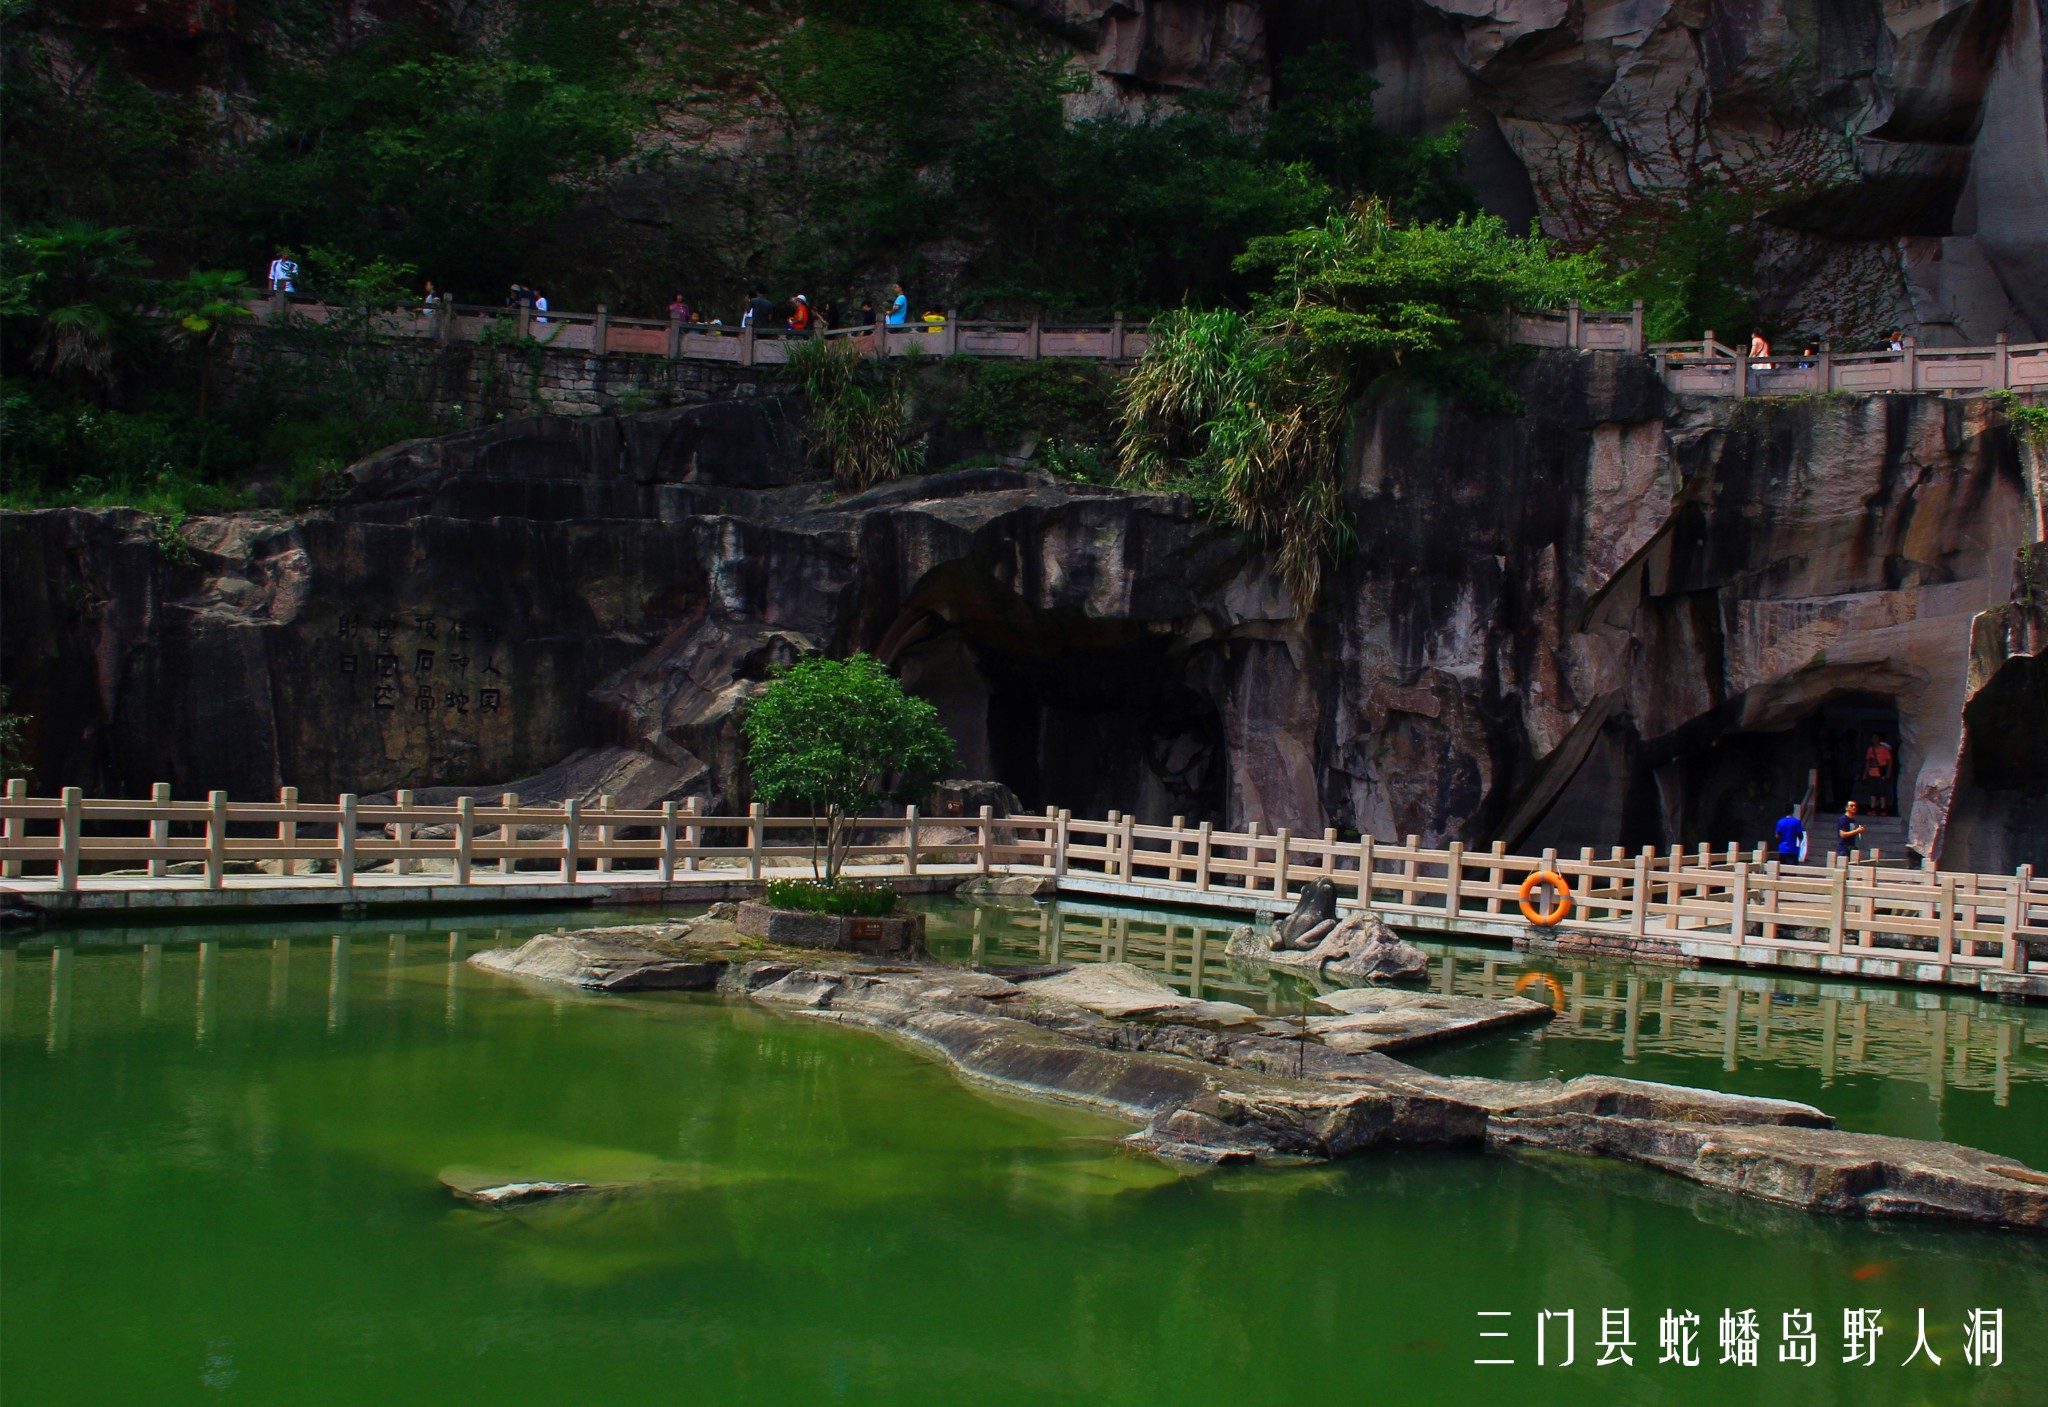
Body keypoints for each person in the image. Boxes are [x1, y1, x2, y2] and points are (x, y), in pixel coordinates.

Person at [1863, 733, 1895, 815]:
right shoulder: (1870, 749)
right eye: (1873, 738)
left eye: (1876, 738)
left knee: (1882, 791)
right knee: (1872, 791)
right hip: (1872, 773)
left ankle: (1883, 809)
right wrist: (1865, 774)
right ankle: (1872, 808)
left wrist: (1888, 773)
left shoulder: (1884, 749)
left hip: (1881, 773)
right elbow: (1868, 761)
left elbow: (1889, 761)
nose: (1874, 739)